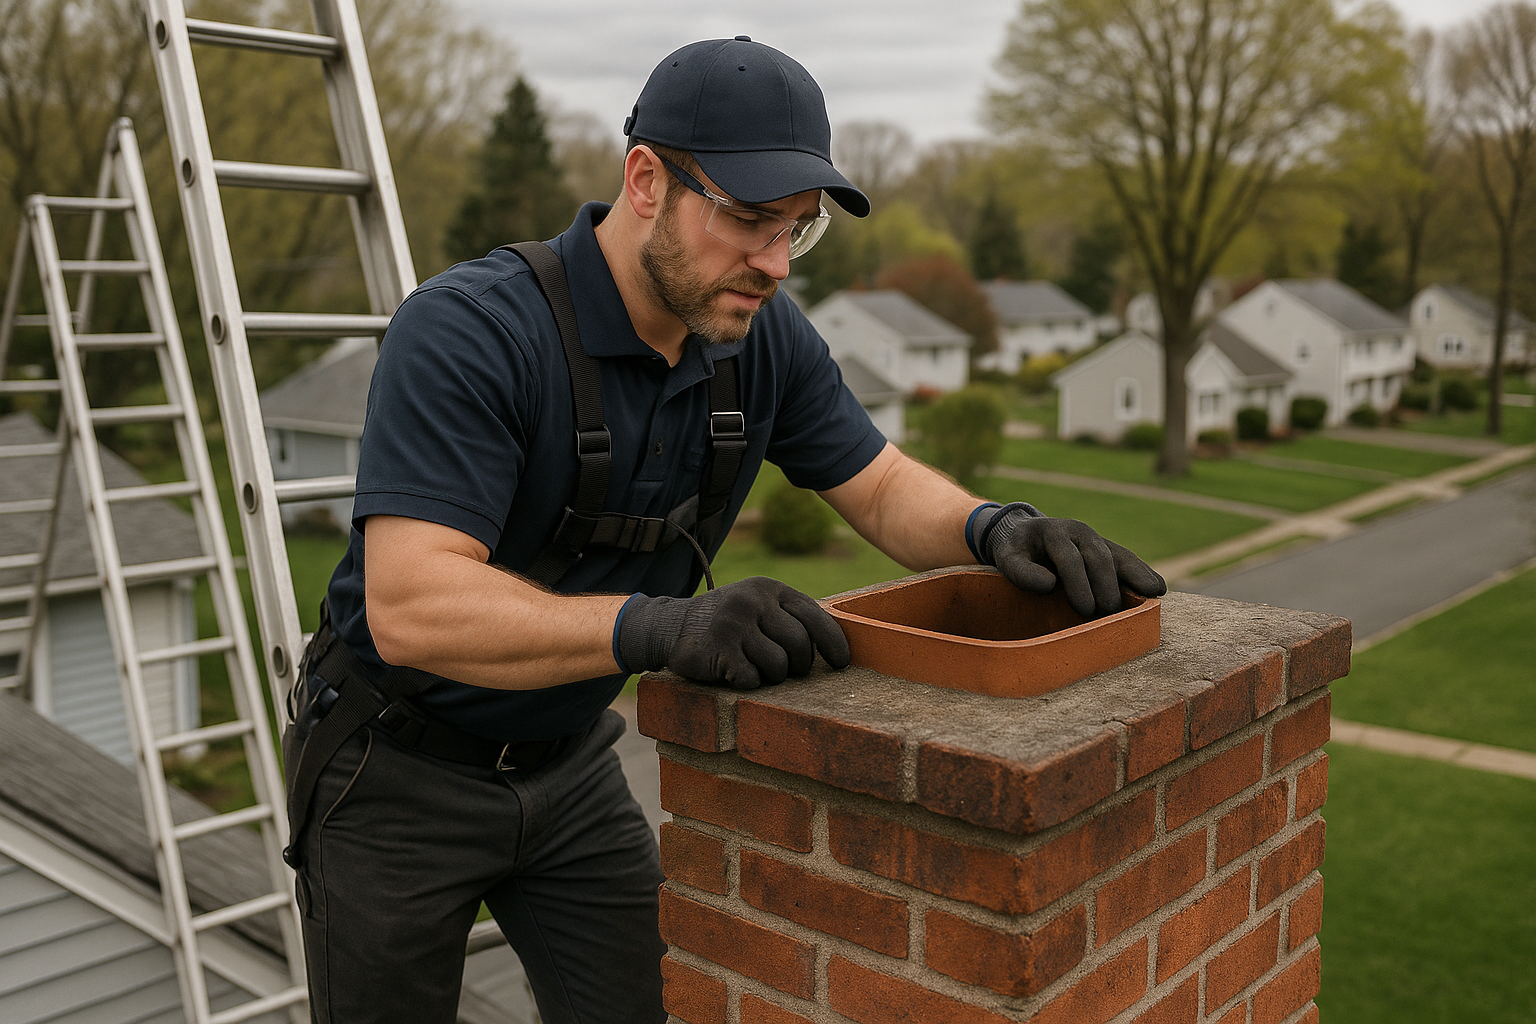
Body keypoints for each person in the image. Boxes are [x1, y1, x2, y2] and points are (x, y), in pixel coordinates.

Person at [283, 35, 1166, 1024]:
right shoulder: (474, 331)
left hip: (567, 764)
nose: (776, 263)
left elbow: (876, 486)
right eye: (750, 219)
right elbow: (411, 603)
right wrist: (662, 627)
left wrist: (998, 530)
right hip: (394, 774)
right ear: (647, 180)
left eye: (800, 228)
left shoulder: (756, 335)